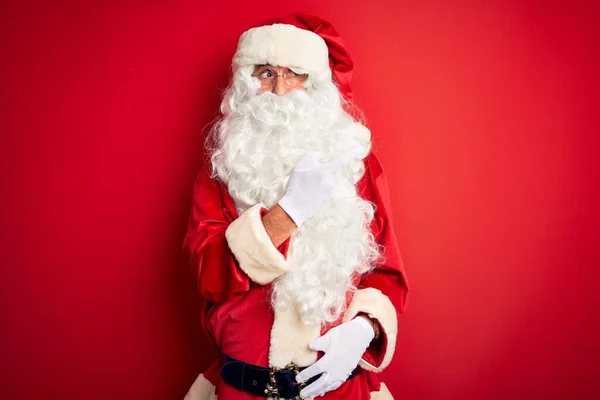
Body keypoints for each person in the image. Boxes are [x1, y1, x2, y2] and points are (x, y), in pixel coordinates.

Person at [183, 13, 409, 400]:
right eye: (266, 73)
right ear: (245, 83)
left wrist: (363, 330)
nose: (280, 89)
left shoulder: (355, 162)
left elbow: (387, 272)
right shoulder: (223, 164)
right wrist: (288, 214)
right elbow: (207, 273)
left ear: (316, 85)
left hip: (338, 389)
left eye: (294, 74)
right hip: (244, 388)